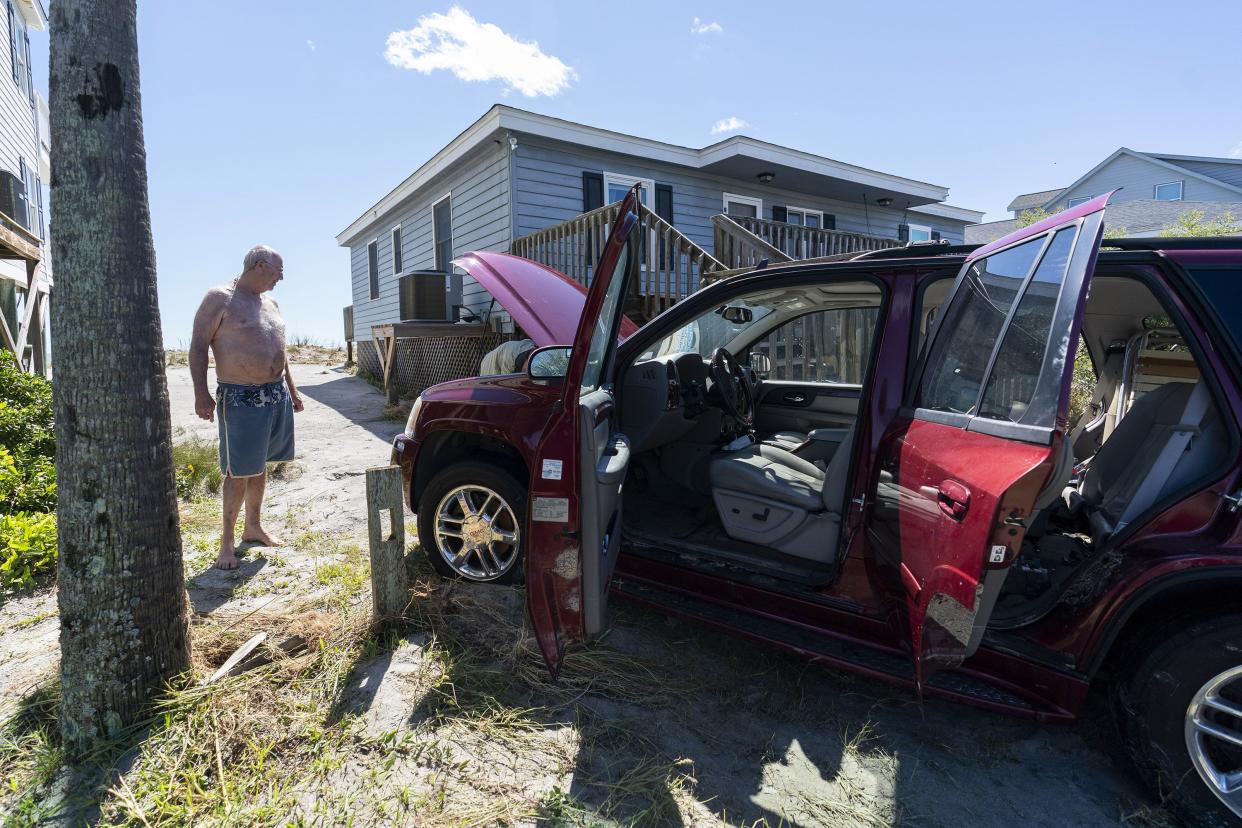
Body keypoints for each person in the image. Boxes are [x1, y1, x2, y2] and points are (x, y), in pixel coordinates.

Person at [189, 245, 303, 570]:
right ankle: (226, 543)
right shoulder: (219, 298)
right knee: (238, 471)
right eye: (277, 271)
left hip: (274, 395)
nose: (281, 278)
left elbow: (280, 348)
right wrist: (201, 394)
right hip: (240, 396)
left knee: (260, 463)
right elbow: (198, 347)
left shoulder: (271, 302)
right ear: (259, 264)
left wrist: (292, 390)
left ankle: (253, 527)